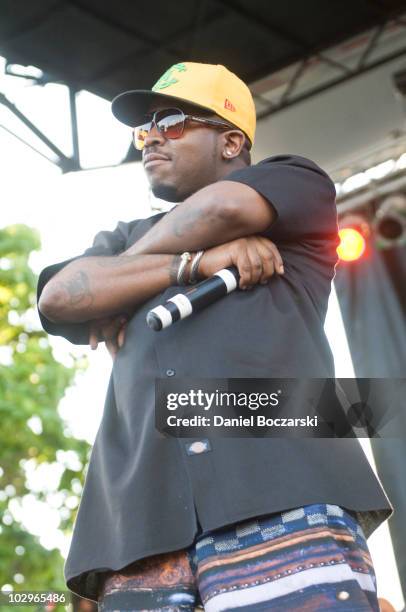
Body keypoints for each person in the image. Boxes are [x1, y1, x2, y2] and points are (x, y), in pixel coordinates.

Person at [37, 62, 393, 611]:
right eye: (144, 128)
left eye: (173, 121)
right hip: (140, 527)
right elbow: (59, 297)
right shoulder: (126, 234)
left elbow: (226, 206)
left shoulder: (293, 183)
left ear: (230, 141)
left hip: (282, 490)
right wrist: (192, 265)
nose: (151, 137)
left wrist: (120, 280)